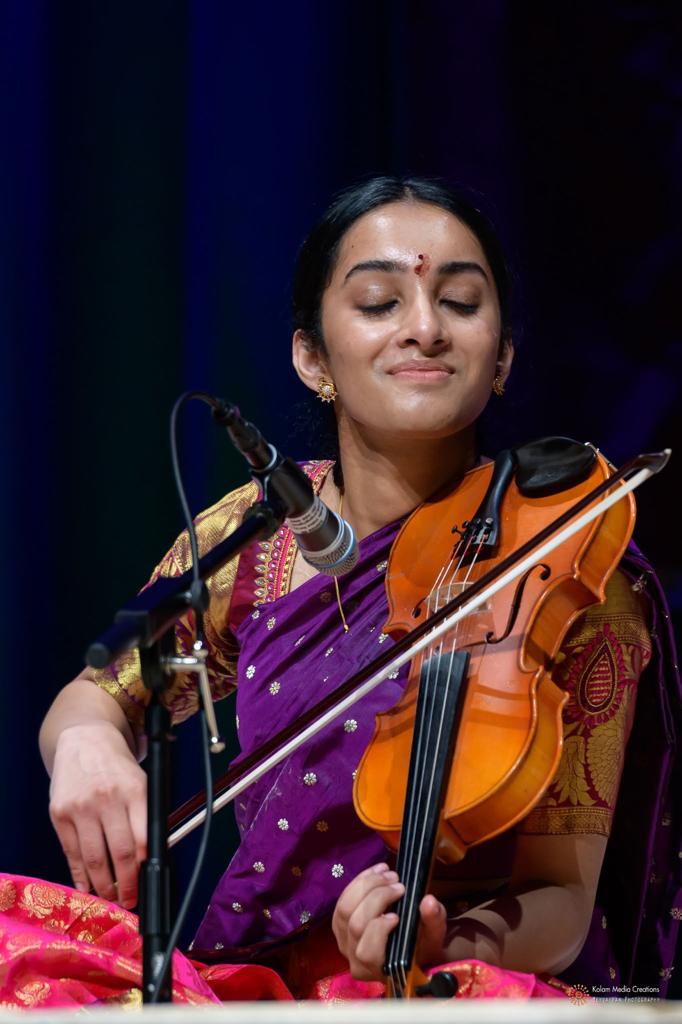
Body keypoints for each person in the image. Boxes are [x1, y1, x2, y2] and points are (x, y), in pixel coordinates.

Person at [1, 177, 679, 1008]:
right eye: (378, 302)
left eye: (461, 302)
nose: (424, 329)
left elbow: (562, 906)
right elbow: (96, 695)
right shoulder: (249, 536)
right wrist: (84, 741)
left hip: (443, 979)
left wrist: (430, 938)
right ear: (311, 357)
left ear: (502, 357)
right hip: (254, 969)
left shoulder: (569, 569)